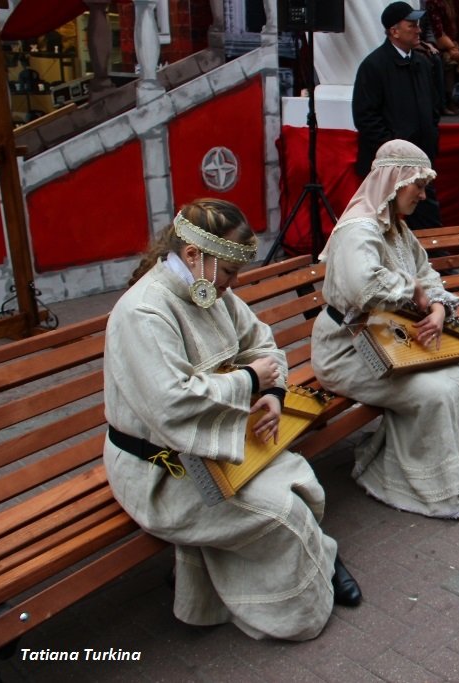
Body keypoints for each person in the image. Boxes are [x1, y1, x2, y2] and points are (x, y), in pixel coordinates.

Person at [102, 198, 361, 642]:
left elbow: (260, 340)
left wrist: (275, 393)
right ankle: (301, 607)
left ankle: (317, 559)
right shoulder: (143, 312)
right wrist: (247, 381)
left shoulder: (207, 289)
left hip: (213, 440)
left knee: (301, 480)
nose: (232, 285)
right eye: (229, 273)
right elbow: (172, 405)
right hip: (160, 470)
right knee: (283, 514)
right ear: (191, 256)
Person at [311, 139, 459, 519]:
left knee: (454, 379)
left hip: (388, 338)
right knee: (432, 393)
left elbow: (428, 274)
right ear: (393, 180)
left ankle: (457, 474)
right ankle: (422, 481)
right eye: (417, 184)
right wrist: (412, 289)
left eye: (424, 186)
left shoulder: (400, 230)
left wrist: (437, 308)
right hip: (346, 348)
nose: (423, 194)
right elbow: (364, 288)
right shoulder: (358, 230)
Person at [353, 2, 442, 229]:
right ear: (394, 31)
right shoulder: (373, 66)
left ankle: (435, 261)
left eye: (418, 25)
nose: (418, 30)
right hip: (388, 166)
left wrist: (429, 139)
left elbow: (434, 106)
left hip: (421, 160)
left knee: (427, 220)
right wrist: (392, 151)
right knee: (381, 222)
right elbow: (366, 117)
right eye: (412, 25)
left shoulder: (422, 63)